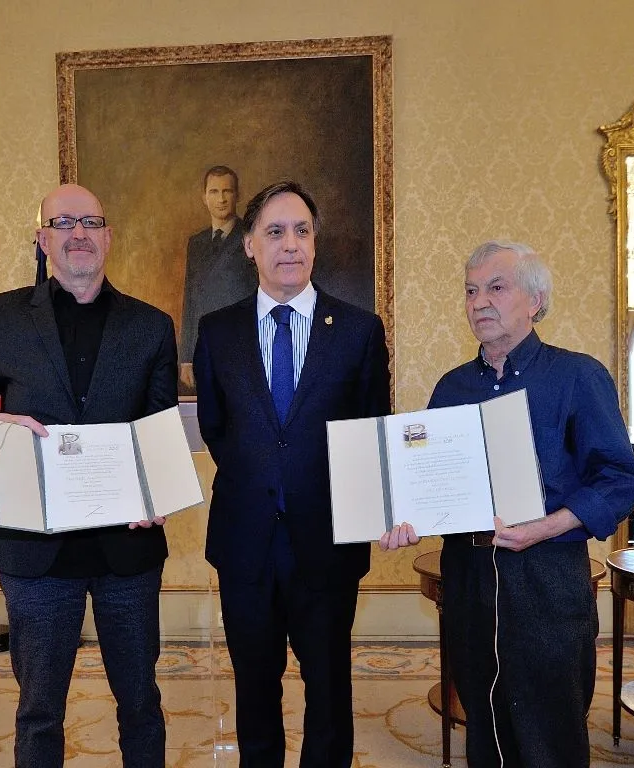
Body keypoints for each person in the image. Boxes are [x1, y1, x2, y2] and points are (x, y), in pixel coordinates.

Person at [380, 241, 634, 768]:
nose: (479, 301)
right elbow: (429, 487)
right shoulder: (452, 388)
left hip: (548, 579)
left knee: (551, 734)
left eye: (496, 288)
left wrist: (545, 527)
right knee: (483, 724)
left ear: (535, 300)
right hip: (468, 577)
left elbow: (622, 478)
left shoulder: (577, 376)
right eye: (470, 291)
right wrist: (401, 517)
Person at [0, 183, 177, 768]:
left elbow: (160, 425)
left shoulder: (151, 326)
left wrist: (160, 490)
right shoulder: (2, 316)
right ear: (42, 239)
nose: (79, 234)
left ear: (108, 237)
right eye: (64, 222)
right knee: (40, 710)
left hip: (126, 548)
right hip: (36, 552)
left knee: (140, 703)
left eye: (91, 222)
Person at [193, 180, 391, 767]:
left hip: (327, 544)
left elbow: (370, 430)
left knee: (329, 693)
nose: (290, 244)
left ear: (314, 242)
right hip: (245, 542)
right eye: (275, 231)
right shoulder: (217, 331)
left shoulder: (358, 331)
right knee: (255, 692)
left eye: (302, 231)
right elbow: (217, 428)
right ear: (249, 245)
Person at [178, 165, 257, 392]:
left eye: (227, 191)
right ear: (204, 197)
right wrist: (186, 358)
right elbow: (190, 300)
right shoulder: (197, 243)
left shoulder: (251, 238)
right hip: (204, 347)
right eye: (214, 192)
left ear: (237, 195)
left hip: (241, 346)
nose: (221, 199)